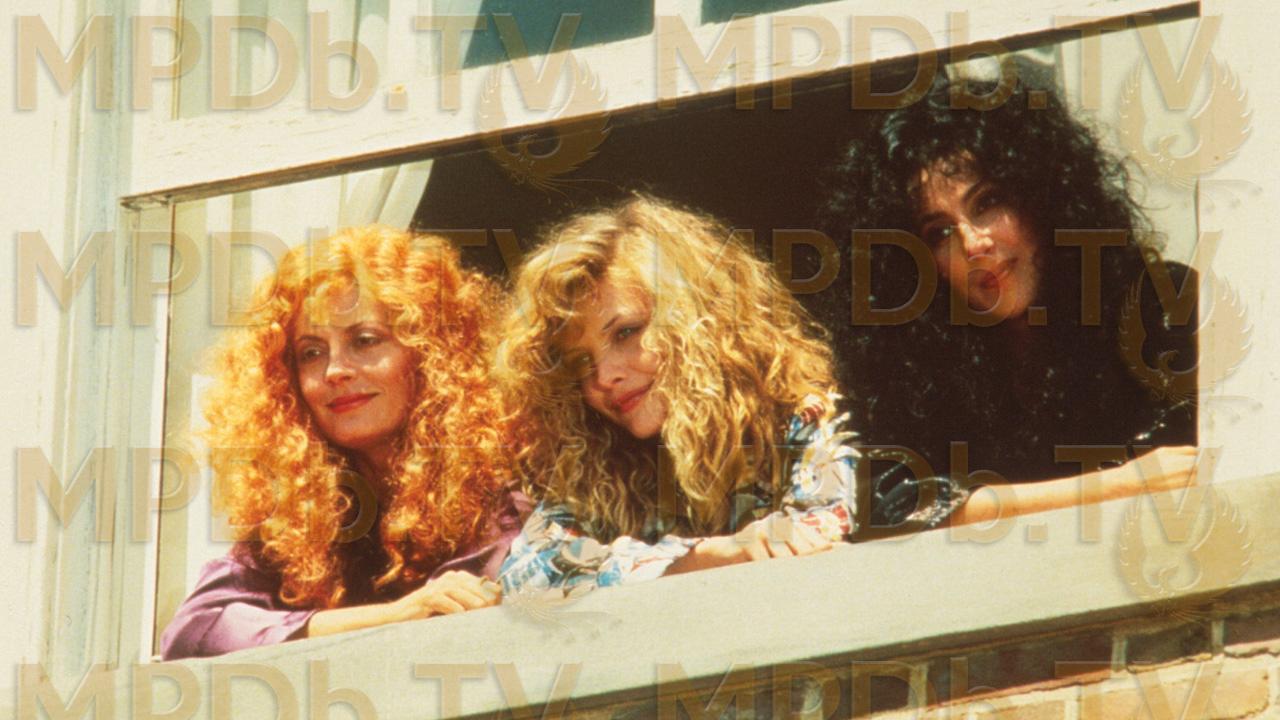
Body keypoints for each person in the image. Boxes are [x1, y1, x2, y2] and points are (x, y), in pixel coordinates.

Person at [493, 195, 1195, 596]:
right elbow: (532, 571)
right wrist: (717, 553)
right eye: (580, 363)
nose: (605, 377)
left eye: (626, 333)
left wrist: (1125, 486)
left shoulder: (805, 411)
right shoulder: (595, 465)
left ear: (696, 315)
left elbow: (853, 516)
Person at [160, 226, 527, 660]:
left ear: (430, 352)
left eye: (365, 341)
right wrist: (394, 616)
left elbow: (467, 612)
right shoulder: (306, 511)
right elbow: (195, 631)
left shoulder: (505, 482)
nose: (335, 370)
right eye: (311, 352)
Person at [819, 68, 1197, 488]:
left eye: (987, 203)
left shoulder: (1160, 303)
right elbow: (902, 503)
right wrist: (1119, 484)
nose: (973, 243)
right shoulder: (921, 376)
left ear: (1041, 196)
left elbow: (1192, 465)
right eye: (940, 232)